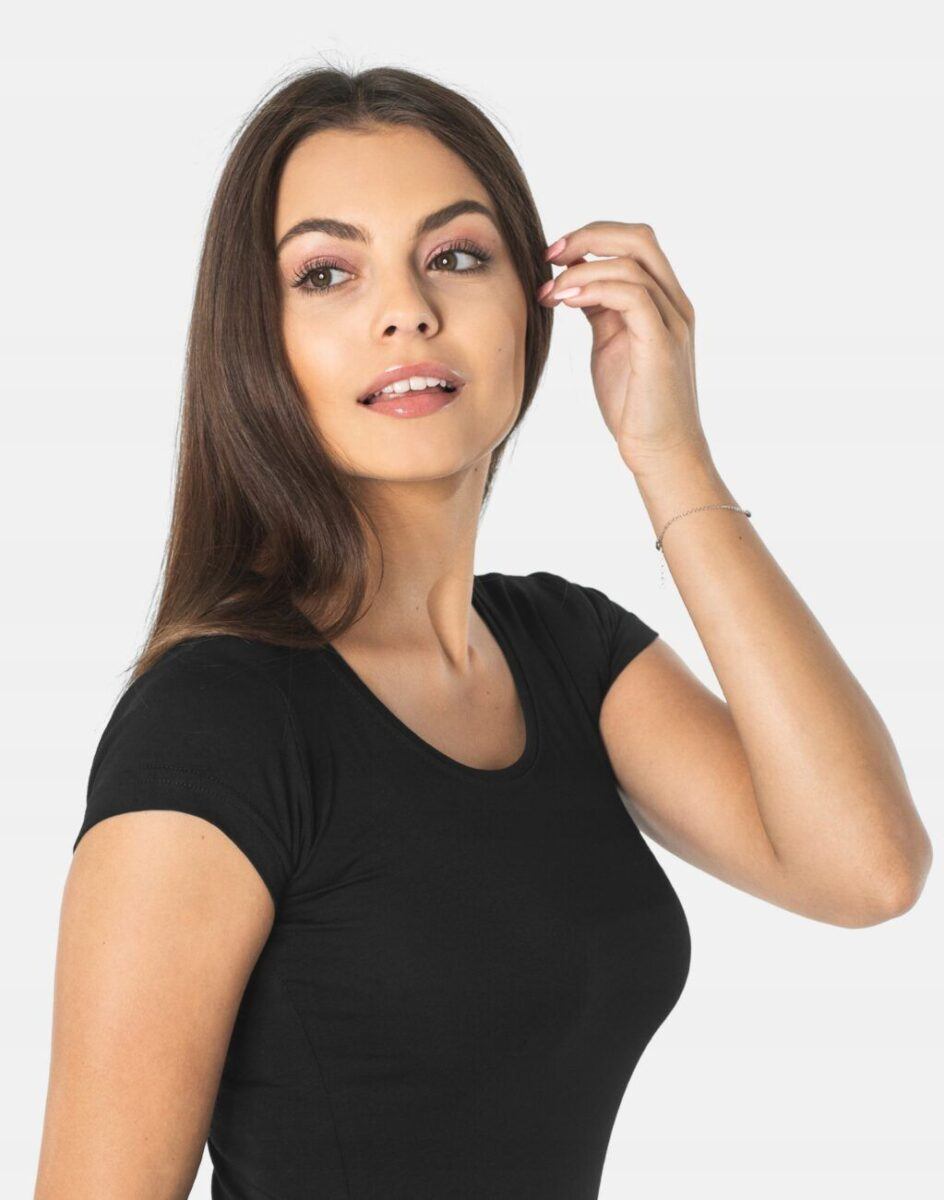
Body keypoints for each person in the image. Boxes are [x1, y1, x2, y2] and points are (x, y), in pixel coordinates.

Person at [35, 64, 932, 1200]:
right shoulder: (217, 722)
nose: (406, 309)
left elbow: (866, 869)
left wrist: (669, 455)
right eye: (326, 273)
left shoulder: (568, 651)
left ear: (535, 303)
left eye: (456, 256)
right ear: (257, 342)